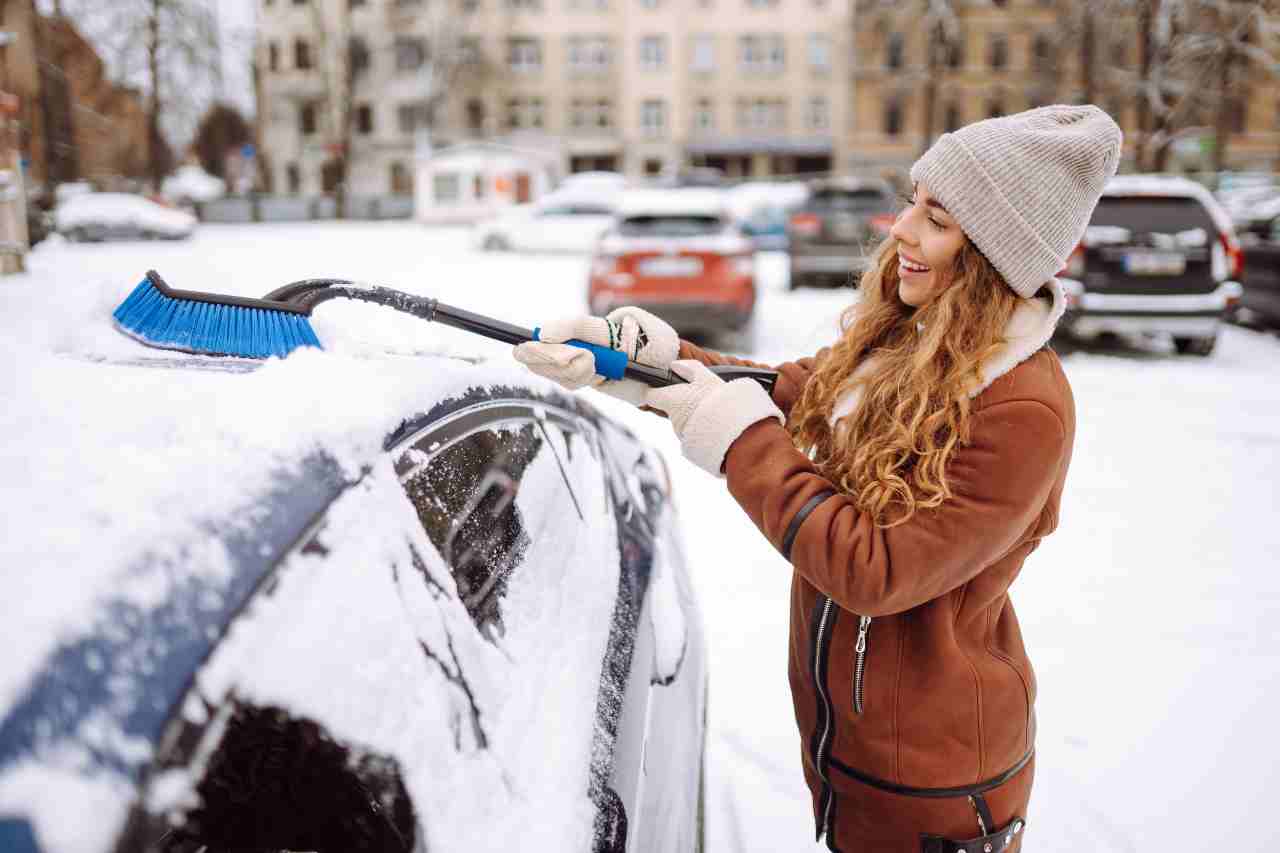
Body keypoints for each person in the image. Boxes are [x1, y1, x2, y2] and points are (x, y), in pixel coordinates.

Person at [514, 105, 1123, 852]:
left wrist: (738, 437)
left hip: (937, 789)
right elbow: (794, 391)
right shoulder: (916, 338)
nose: (901, 228)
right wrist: (647, 361)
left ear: (993, 254)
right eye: (914, 203)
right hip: (857, 758)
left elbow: (876, 568)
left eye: (936, 218)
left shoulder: (1022, 408)